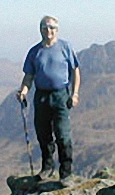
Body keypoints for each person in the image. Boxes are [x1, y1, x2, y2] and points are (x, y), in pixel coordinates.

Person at [16, 15, 81, 185]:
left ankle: (66, 173)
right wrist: (24, 90)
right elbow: (29, 75)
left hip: (61, 96)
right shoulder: (34, 51)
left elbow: (75, 71)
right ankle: (47, 168)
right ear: (40, 29)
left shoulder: (65, 47)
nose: (49, 31)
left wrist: (75, 94)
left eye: (52, 27)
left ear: (57, 30)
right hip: (42, 96)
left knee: (63, 135)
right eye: (45, 27)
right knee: (43, 134)